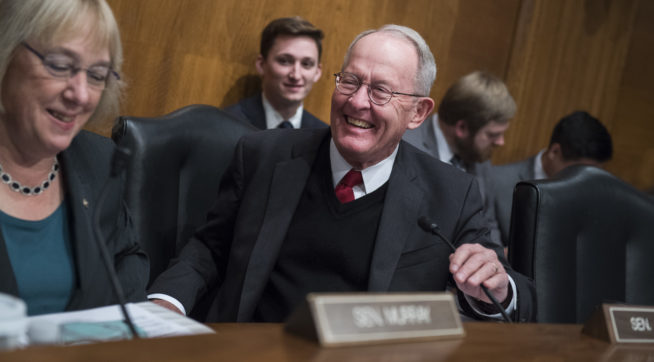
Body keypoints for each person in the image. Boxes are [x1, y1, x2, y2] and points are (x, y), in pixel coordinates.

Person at [149, 25, 535, 323]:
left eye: (381, 91)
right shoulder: (264, 155)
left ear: (418, 113)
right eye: (350, 81)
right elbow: (209, 249)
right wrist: (164, 304)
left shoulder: (452, 193)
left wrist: (498, 287)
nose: (357, 101)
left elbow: (522, 296)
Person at [0, 0, 148, 316]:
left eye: (96, 75)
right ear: (6, 52)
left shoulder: (98, 160)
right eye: (58, 64)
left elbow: (127, 258)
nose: (80, 94)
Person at [403, 71, 516, 246]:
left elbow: (488, 223)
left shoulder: (478, 156)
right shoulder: (407, 145)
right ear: (462, 128)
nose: (501, 142)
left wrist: (495, 259)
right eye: (493, 135)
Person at [490, 111, 613, 246]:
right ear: (554, 152)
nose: (587, 180)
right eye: (580, 171)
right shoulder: (496, 181)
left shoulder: (595, 195)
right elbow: (489, 249)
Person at [223, 17, 327, 130]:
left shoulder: (325, 137)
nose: (296, 75)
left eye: (306, 64)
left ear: (317, 72)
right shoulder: (227, 123)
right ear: (261, 64)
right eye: (284, 61)